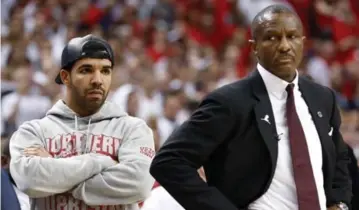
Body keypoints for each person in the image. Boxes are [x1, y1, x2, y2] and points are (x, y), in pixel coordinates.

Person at [150, 5, 352, 210]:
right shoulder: (229, 102)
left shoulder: (322, 97)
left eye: (292, 37)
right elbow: (168, 162)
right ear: (254, 46)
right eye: (272, 37)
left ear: (302, 42)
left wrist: (339, 202)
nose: (284, 46)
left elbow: (339, 157)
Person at [9, 34, 155, 210]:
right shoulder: (33, 132)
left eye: (105, 71)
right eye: (86, 70)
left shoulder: (132, 129)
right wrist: (103, 162)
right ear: (65, 77)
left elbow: (139, 184)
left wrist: (58, 173)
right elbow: (29, 180)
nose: (97, 80)